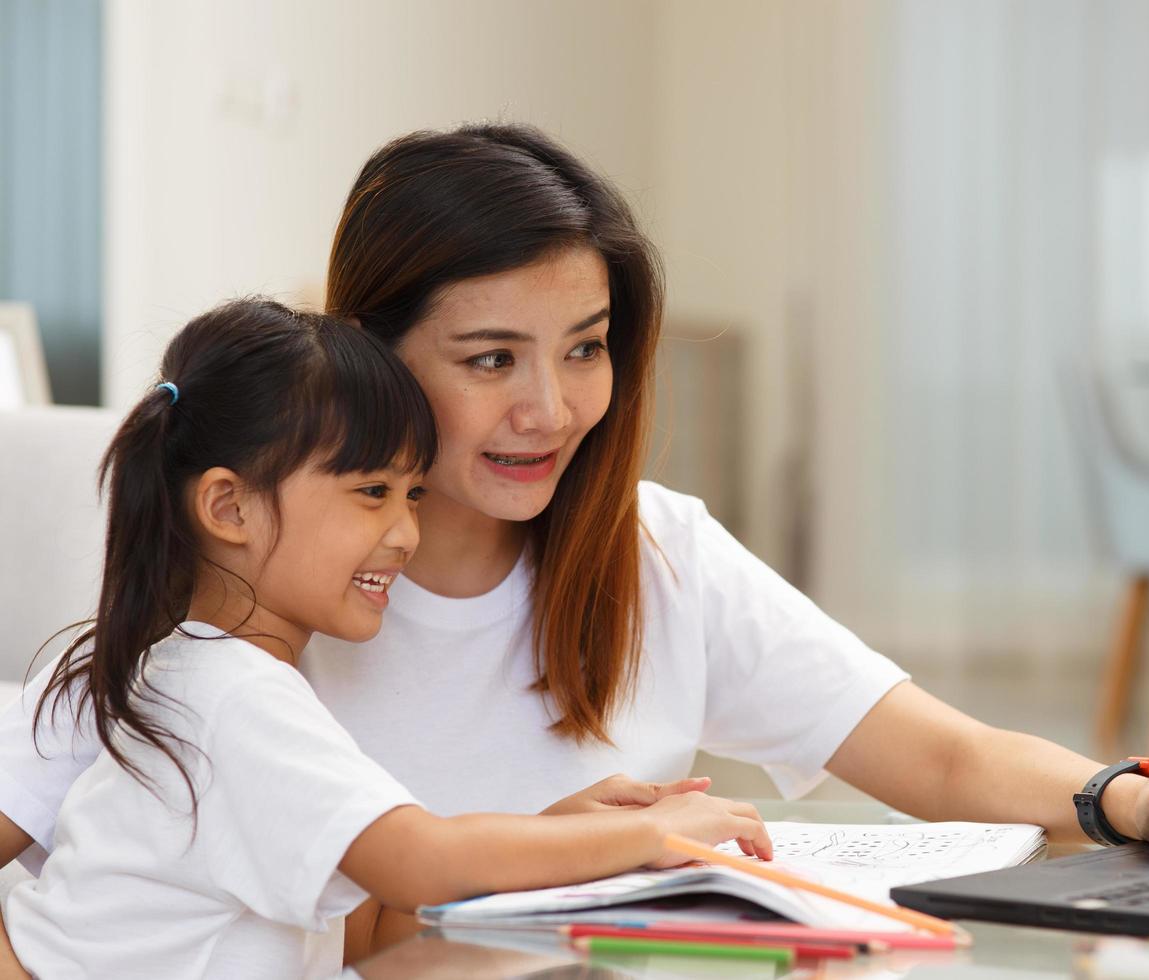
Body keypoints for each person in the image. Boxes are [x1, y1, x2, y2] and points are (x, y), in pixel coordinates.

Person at [0, 124, 1149, 960]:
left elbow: (938, 750)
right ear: (367, 357)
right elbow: (379, 882)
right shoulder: (218, 634)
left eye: (586, 349)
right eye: (490, 358)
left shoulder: (654, 553)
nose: (550, 409)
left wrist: (1125, 794)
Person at [0, 299, 770, 979]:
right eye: (372, 493)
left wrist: (552, 836)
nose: (405, 533)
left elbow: (365, 934)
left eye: (413, 495)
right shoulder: (235, 699)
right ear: (228, 508)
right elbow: (420, 864)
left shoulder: (186, 673)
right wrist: (645, 834)